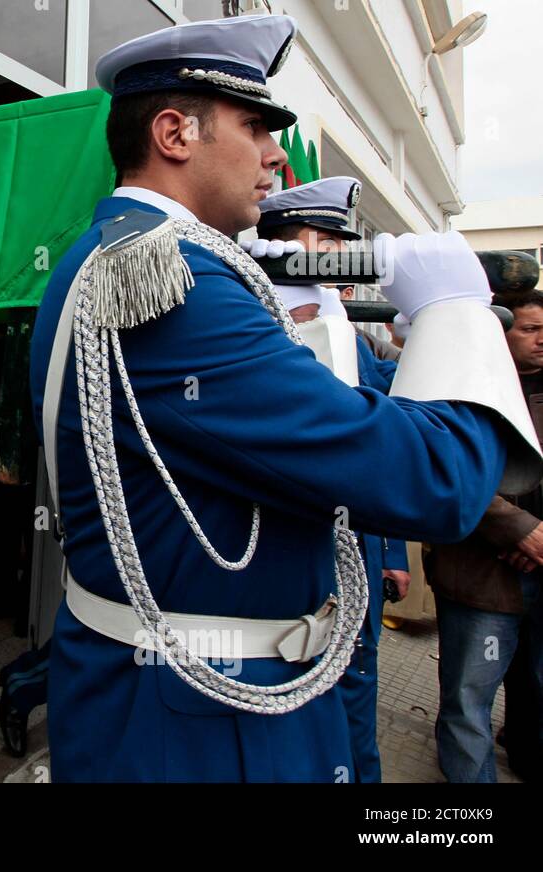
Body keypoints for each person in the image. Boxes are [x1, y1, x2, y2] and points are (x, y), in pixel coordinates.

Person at [29, 13, 540, 782]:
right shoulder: (178, 286)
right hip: (198, 722)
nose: (275, 156)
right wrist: (456, 314)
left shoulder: (127, 254)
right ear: (175, 133)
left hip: (178, 694)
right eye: (256, 125)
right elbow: (435, 481)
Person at [251, 175, 412, 782]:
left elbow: (388, 436)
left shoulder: (345, 324)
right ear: (304, 241)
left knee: (355, 687)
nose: (343, 259)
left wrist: (392, 550)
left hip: (359, 549)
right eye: (332, 242)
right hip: (284, 550)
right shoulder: (250, 315)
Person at [425, 288, 543, 782]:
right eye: (531, 330)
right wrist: (519, 530)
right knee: (469, 703)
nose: (542, 341)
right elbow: (447, 472)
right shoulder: (463, 391)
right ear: (498, 329)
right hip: (478, 578)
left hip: (541, 569)